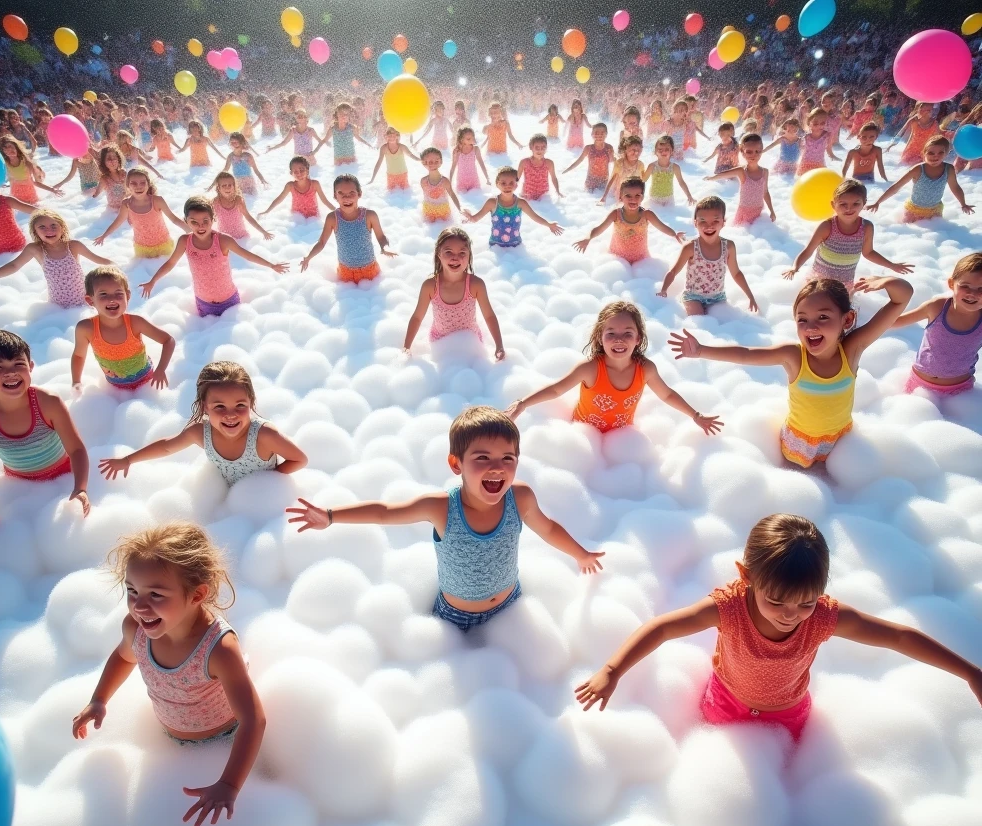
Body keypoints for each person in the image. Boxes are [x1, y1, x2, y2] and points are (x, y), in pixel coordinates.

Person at [575, 513, 982, 739]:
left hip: (789, 710)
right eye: (775, 601)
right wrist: (612, 669)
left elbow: (897, 636)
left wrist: (968, 672)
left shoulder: (822, 617)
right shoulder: (730, 609)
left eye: (805, 601)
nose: (791, 614)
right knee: (717, 759)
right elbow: (663, 628)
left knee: (784, 774)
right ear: (747, 577)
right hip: (727, 700)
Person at [285, 405, 604, 632]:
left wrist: (581, 553)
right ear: (456, 464)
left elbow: (548, 528)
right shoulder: (442, 508)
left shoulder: (519, 498)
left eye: (508, 458)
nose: (498, 467)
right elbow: (385, 511)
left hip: (511, 603)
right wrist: (330, 515)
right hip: (456, 618)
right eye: (482, 458)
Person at [72, 522, 266, 826]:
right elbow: (123, 658)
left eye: (157, 594)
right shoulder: (135, 629)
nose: (139, 604)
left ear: (197, 594)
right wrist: (99, 699)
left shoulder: (219, 650)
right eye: (132, 590)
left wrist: (229, 785)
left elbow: (254, 720)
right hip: (169, 739)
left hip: (225, 738)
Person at [668, 276, 913, 467]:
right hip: (799, 442)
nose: (811, 327)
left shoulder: (851, 350)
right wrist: (701, 350)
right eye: (802, 319)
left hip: (840, 439)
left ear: (847, 320)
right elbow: (746, 354)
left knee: (840, 481)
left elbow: (902, 297)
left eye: (823, 317)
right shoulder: (794, 356)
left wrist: (886, 282)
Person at [506, 300, 721, 434]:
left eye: (627, 333)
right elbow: (556, 389)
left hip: (622, 439)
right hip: (582, 435)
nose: (619, 340)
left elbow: (666, 395)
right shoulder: (590, 369)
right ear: (600, 338)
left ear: (638, 339)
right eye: (611, 334)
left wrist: (695, 415)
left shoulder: (645, 369)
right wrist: (522, 404)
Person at [0, 329, 89, 547]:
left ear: (30, 366)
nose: (10, 373)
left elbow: (76, 449)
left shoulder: (47, 402)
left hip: (64, 474)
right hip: (18, 483)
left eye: (18, 364)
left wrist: (80, 488)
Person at [99, 360, 308, 483]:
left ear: (251, 402)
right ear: (205, 407)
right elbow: (166, 448)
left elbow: (299, 459)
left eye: (240, 406)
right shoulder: (200, 433)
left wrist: (268, 482)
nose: (231, 415)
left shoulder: (264, 435)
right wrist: (128, 460)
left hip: (262, 498)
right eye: (219, 407)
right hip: (228, 497)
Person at [141, 195, 289, 315]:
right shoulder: (185, 241)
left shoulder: (223, 240)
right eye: (194, 222)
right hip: (203, 302)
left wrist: (271, 265)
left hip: (229, 301)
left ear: (213, 220)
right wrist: (153, 281)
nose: (201, 226)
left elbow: (247, 255)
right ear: (186, 221)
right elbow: (170, 263)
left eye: (206, 221)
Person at [785, 179, 914, 292]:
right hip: (819, 280)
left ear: (864, 203)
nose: (849, 209)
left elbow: (868, 253)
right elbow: (808, 250)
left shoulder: (866, 227)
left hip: (844, 283)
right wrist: (795, 267)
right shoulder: (827, 226)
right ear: (833, 205)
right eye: (843, 204)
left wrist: (892, 265)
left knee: (842, 312)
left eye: (856, 204)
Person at [0, 209, 110, 307]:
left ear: (63, 228)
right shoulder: (35, 249)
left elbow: (100, 261)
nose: (49, 230)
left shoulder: (73, 246)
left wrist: (121, 269)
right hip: (56, 306)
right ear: (35, 231)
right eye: (42, 227)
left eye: (54, 225)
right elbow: (14, 266)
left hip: (82, 302)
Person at [402, 227, 503, 358]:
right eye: (449, 252)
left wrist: (499, 345)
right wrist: (406, 347)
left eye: (462, 253)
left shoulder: (475, 285)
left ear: (469, 256)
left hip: (470, 340)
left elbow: (489, 316)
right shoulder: (430, 286)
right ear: (439, 253)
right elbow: (417, 317)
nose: (455, 258)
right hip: (440, 342)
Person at [893, 251, 982, 398]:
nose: (972, 294)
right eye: (965, 286)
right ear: (951, 284)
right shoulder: (937, 308)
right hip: (919, 385)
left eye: (981, 289)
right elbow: (894, 322)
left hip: (960, 391)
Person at [73, 267, 175, 390]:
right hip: (113, 388)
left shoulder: (135, 323)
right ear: (90, 300)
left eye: (118, 293)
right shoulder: (86, 329)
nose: (112, 299)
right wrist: (76, 383)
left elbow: (168, 341)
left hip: (146, 382)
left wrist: (161, 369)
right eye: (103, 294)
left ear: (127, 296)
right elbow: (79, 356)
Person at [658, 196, 760, 314]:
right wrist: (663, 290)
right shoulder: (690, 248)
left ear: (723, 223)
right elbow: (673, 271)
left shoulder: (728, 247)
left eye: (715, 221)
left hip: (718, 297)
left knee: (722, 324)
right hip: (693, 297)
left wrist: (750, 296)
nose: (709, 226)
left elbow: (736, 273)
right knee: (699, 321)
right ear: (695, 223)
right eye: (703, 221)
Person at [299, 174, 395, 282]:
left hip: (370, 270)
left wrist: (385, 248)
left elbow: (381, 237)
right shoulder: (332, 218)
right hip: (345, 273)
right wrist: (308, 257)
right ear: (335, 196)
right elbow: (321, 242)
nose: (347, 197)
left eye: (351, 193)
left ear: (359, 194)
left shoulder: (369, 216)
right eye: (341, 193)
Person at [574, 176, 684, 265]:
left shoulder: (647, 215)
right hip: (616, 259)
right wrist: (588, 238)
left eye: (637, 195)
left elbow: (662, 227)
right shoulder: (615, 214)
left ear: (642, 197)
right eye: (628, 195)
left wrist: (674, 234)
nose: (633, 199)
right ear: (621, 197)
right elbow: (599, 228)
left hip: (641, 260)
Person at [867, 137, 974, 223]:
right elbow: (896, 187)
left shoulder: (948, 169)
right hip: (913, 210)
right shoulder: (918, 169)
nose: (935, 156)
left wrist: (963, 204)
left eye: (940, 153)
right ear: (924, 153)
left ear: (946, 153)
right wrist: (877, 202)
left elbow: (955, 187)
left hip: (935, 211)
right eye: (931, 153)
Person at [93, 167, 187, 258]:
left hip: (163, 245)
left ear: (148, 184)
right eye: (133, 183)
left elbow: (174, 219)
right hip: (142, 247)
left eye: (142, 183)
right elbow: (118, 221)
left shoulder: (157, 201)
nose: (139, 187)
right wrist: (104, 235)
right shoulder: (127, 204)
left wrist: (191, 231)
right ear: (127, 185)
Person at [463, 165, 562, 248]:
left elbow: (535, 217)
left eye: (511, 183)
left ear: (516, 185)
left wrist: (548, 224)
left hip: (516, 246)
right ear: (497, 184)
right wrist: (469, 217)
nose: (507, 186)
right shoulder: (492, 203)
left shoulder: (521, 203)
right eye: (503, 183)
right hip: (496, 246)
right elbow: (475, 218)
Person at [704, 132, 776, 226]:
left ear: (761, 151)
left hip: (759, 212)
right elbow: (724, 174)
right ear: (742, 152)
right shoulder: (742, 171)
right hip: (744, 213)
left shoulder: (765, 172)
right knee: (742, 232)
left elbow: (765, 192)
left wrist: (771, 211)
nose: (753, 155)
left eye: (757, 151)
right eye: (749, 151)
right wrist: (711, 178)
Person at [260, 156, 334, 221]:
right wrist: (267, 211)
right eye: (295, 171)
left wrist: (337, 212)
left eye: (302, 170)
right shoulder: (290, 186)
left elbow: (325, 201)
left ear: (307, 171)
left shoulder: (315, 184)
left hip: (313, 217)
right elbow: (279, 199)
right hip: (297, 217)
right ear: (291, 173)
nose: (299, 174)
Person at [209, 171, 274, 241]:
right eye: (224, 185)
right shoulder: (216, 202)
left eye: (230, 185)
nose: (227, 188)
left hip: (241, 237)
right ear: (218, 188)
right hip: (224, 237)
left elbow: (248, 217)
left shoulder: (239, 201)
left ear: (234, 186)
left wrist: (263, 231)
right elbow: (209, 220)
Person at [0, 134, 60, 204]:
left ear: (16, 147)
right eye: (5, 148)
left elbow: (36, 182)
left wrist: (52, 189)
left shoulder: (27, 162)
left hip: (30, 197)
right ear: (3, 151)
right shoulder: (4, 163)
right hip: (16, 198)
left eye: (10, 147)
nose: (9, 150)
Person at [313, 101, 372, 166]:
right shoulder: (333, 129)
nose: (344, 116)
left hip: (351, 160)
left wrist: (368, 145)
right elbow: (324, 140)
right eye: (341, 113)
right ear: (337, 114)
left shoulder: (352, 128)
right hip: (338, 161)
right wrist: (315, 151)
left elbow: (359, 139)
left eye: (346, 114)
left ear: (349, 116)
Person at [562, 123, 616, 194]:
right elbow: (579, 160)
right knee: (589, 198)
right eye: (596, 132)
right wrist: (568, 169)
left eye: (602, 133)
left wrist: (612, 155)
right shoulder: (588, 148)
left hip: (604, 180)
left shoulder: (609, 147)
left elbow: (612, 161)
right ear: (592, 134)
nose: (599, 135)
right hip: (591, 180)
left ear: (606, 134)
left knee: (601, 198)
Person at [643, 135, 695, 207]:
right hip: (654, 200)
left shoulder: (675, 167)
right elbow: (643, 180)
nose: (663, 151)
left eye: (667, 149)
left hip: (669, 200)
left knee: (669, 217)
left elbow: (681, 182)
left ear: (672, 152)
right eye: (660, 149)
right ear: (655, 152)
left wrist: (689, 195)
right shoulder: (652, 166)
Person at [215, 131, 268, 195]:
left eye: (236, 142)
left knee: (250, 200)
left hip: (249, 183)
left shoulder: (248, 156)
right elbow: (225, 171)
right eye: (232, 142)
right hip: (237, 183)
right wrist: (215, 183)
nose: (234, 144)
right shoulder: (230, 156)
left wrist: (262, 180)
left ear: (241, 143)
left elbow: (256, 170)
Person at [419, 147, 461, 223]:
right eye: (430, 162)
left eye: (436, 161)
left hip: (443, 213)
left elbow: (452, 194)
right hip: (428, 213)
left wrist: (460, 210)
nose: (434, 164)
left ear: (441, 162)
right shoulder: (423, 181)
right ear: (424, 163)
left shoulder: (444, 181)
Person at [599, 134, 644, 205]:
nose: (636, 152)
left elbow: (642, 182)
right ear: (626, 149)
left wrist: (642, 196)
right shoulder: (619, 163)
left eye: (639, 150)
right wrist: (604, 197)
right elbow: (611, 180)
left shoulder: (640, 165)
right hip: (621, 193)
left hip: (635, 194)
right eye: (633, 150)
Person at [517, 135, 562, 201]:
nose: (540, 150)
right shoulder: (524, 162)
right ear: (531, 147)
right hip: (527, 196)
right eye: (537, 147)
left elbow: (554, 178)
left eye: (543, 147)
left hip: (543, 196)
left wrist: (558, 191)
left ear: (546, 148)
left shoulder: (549, 163)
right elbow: (516, 179)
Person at [796, 109, 837, 175]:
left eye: (822, 123)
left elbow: (829, 150)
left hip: (819, 165)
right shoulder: (805, 137)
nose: (819, 126)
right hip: (805, 165)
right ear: (809, 124)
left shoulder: (827, 136)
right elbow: (798, 151)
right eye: (815, 124)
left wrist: (834, 157)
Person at [450, 126, 490, 193]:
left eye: (472, 137)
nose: (472, 140)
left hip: (474, 181)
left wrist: (487, 178)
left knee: (476, 199)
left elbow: (482, 164)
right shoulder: (457, 151)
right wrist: (450, 182)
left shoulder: (476, 149)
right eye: (468, 139)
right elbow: (453, 167)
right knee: (464, 198)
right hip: (461, 182)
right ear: (462, 140)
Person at [91, 145, 129, 210]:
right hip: (112, 210)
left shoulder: (124, 173)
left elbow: (129, 190)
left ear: (118, 159)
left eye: (114, 158)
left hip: (126, 207)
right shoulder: (104, 178)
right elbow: (97, 193)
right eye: (108, 159)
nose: (112, 160)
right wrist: (92, 195)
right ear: (104, 162)